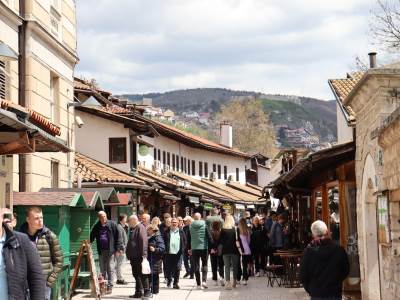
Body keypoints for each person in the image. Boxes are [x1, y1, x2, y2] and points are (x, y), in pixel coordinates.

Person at [0, 208, 45, 299]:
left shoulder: (22, 240)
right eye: (37, 218)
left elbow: (36, 278)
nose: (40, 221)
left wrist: (51, 278)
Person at [20, 206, 63, 300]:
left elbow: (59, 261)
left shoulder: (50, 236)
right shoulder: (20, 237)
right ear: (28, 219)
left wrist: (49, 282)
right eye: (36, 218)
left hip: (43, 285)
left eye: (41, 217)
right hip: (24, 284)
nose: (40, 220)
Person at [300, 220, 349, 300]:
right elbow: (345, 270)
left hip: (317, 293)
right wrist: (336, 282)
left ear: (313, 235)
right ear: (327, 232)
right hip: (334, 292)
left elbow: (303, 275)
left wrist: (311, 289)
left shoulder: (308, 252)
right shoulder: (338, 250)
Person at [89, 211, 122, 293]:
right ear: (99, 218)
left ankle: (110, 286)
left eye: (104, 216)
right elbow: (91, 236)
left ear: (106, 216)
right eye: (101, 216)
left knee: (110, 268)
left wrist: (118, 249)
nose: (103, 218)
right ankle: (102, 285)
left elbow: (118, 237)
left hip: (110, 250)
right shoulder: (97, 226)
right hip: (101, 250)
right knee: (102, 268)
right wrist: (88, 243)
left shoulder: (112, 224)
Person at [126, 215, 151, 298]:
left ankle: (147, 291)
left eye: (129, 221)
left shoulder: (140, 228)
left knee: (143, 274)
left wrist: (144, 255)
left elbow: (143, 241)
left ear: (133, 220)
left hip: (139, 256)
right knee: (136, 275)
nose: (128, 223)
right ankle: (138, 292)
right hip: (133, 256)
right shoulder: (133, 228)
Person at [187, 213, 212, 289]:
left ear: (193, 218)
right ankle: (204, 281)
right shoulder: (204, 225)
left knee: (196, 266)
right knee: (204, 264)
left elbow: (189, 238)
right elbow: (209, 237)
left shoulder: (190, 226)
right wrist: (212, 247)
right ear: (200, 217)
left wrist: (189, 248)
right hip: (204, 248)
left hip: (194, 248)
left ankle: (198, 284)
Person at [163, 217, 186, 289]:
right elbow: (163, 241)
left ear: (178, 223)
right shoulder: (166, 231)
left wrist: (183, 249)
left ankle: (176, 283)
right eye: (173, 222)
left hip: (178, 254)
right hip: (168, 253)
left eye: (175, 222)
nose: (174, 224)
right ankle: (169, 280)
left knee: (177, 268)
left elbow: (185, 241)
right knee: (168, 269)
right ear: (170, 223)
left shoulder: (181, 231)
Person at [219, 214, 240, 290]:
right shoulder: (235, 229)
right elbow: (239, 240)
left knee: (227, 267)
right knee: (235, 266)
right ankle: (234, 281)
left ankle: (228, 282)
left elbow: (220, 241)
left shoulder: (223, 229)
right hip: (235, 250)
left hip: (225, 250)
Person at [147, 224, 165, 295]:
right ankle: (149, 290)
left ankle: (155, 291)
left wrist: (155, 249)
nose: (147, 231)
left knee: (155, 275)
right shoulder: (149, 237)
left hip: (156, 260)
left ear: (152, 230)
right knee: (149, 275)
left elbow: (162, 248)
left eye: (148, 230)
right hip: (150, 259)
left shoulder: (158, 237)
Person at [210, 220, 224, 286]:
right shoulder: (221, 232)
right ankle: (221, 277)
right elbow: (221, 241)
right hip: (220, 251)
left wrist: (213, 248)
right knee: (221, 265)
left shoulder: (211, 232)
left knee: (214, 266)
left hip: (213, 251)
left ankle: (215, 280)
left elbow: (210, 241)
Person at [238, 218, 252, 285]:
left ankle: (243, 278)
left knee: (243, 264)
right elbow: (249, 241)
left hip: (241, 250)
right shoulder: (247, 231)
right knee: (246, 264)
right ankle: (245, 278)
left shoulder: (239, 231)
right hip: (247, 250)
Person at [116, 213, 128, 285]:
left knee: (120, 264)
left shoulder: (122, 226)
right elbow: (120, 239)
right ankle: (120, 279)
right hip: (121, 250)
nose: (126, 219)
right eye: (126, 218)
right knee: (120, 264)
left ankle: (120, 278)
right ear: (123, 219)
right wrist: (121, 249)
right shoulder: (119, 227)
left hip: (122, 249)